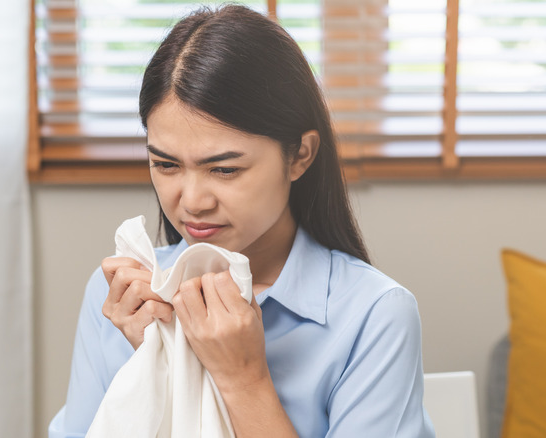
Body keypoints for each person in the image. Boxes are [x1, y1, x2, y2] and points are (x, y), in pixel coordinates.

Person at [49, 5, 435, 437]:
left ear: (300, 155)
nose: (192, 202)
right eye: (166, 164)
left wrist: (243, 379)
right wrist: (158, 359)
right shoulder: (120, 297)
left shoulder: (374, 316)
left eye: (225, 169)